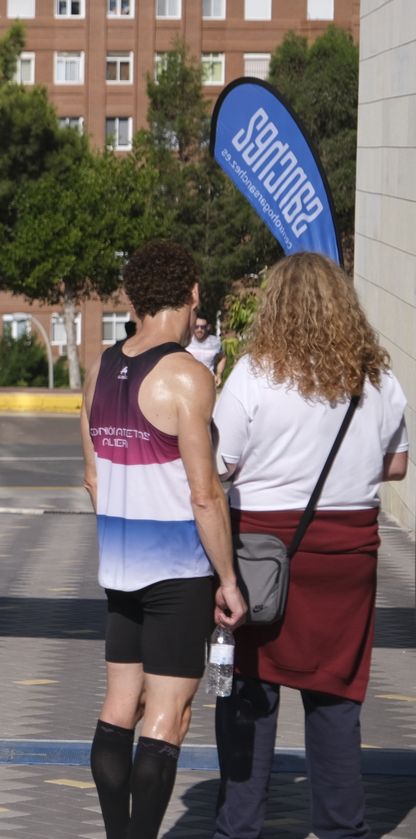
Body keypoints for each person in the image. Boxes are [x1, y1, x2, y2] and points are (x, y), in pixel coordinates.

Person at [210, 252, 408, 839]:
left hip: (262, 555)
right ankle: (343, 828)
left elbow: (219, 464)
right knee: (336, 699)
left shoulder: (251, 374)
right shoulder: (376, 378)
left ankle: (238, 827)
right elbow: (395, 466)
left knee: (250, 693)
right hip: (347, 556)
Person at [79, 241, 246, 839]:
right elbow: (206, 496)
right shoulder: (187, 377)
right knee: (168, 718)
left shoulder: (99, 368)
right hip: (178, 573)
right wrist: (227, 579)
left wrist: (126, 527)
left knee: (119, 706)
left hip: (119, 569)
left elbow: (93, 475)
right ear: (194, 293)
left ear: (131, 297)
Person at [185, 315, 226, 380]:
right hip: (188, 379)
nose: (199, 329)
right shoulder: (186, 341)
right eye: (196, 327)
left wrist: (219, 374)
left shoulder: (216, 342)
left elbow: (222, 357)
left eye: (202, 327)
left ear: (208, 327)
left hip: (208, 380)